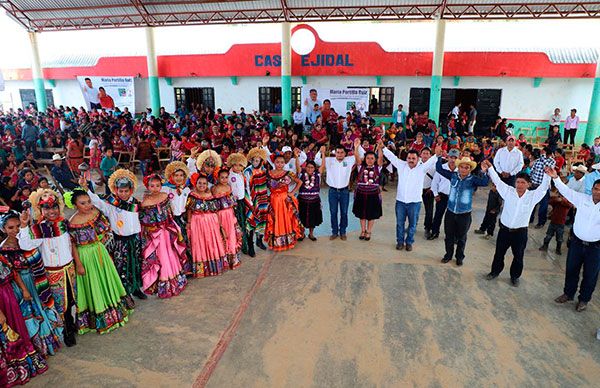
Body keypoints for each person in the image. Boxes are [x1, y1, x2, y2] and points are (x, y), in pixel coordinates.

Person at [17, 189, 83, 347]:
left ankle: (70, 321)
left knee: (72, 299)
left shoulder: (64, 224)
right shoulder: (39, 229)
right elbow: (25, 245)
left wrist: (78, 262)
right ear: (40, 210)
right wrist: (24, 226)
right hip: (53, 273)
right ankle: (66, 330)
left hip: (69, 269)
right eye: (46, 208)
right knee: (60, 303)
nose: (51, 211)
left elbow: (71, 243)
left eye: (54, 207)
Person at [66, 189, 131, 334]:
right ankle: (99, 317)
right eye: (83, 203)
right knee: (93, 283)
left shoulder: (95, 213)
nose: (87, 205)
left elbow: (105, 229)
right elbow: (73, 246)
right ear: (75, 205)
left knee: (106, 280)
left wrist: (102, 242)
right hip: (85, 256)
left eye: (88, 201)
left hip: (100, 251)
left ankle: (114, 312)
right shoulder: (72, 222)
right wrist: (79, 264)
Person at [1, 212, 63, 357]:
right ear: (3, 229)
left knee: (42, 308)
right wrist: (24, 290)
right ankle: (39, 348)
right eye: (10, 228)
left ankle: (49, 343)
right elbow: (13, 272)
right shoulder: (3, 250)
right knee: (31, 314)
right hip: (22, 285)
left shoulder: (27, 238)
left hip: (36, 279)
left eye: (18, 226)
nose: (15, 230)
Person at [81, 170, 147, 301]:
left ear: (131, 190)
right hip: (120, 241)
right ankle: (125, 292)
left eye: (126, 191)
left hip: (135, 239)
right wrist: (86, 189)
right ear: (115, 190)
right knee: (122, 267)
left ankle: (136, 289)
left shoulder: (136, 204)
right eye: (120, 191)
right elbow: (97, 201)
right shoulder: (111, 204)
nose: (123, 194)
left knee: (136, 264)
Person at [484, 161, 551, 286]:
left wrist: (547, 175)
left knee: (518, 256)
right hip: (504, 230)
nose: (519, 185)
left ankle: (515, 277)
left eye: (523, 183)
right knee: (499, 253)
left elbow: (543, 189)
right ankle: (494, 272)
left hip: (520, 233)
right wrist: (490, 168)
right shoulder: (508, 191)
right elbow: (497, 181)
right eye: (518, 182)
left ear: (528, 184)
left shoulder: (532, 196)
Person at [547, 166, 600, 312]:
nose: (597, 192)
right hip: (576, 243)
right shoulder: (583, 199)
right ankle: (568, 293)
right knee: (571, 269)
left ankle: (584, 299)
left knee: (590, 275)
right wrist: (555, 178)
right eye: (596, 188)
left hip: (595, 247)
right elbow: (567, 192)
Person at [382, 141, 441, 251]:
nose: (411, 160)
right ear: (406, 158)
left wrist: (436, 154)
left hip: (414, 202)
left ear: (418, 159)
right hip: (400, 202)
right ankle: (400, 242)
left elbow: (432, 160)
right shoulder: (401, 165)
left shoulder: (422, 168)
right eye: (409, 158)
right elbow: (392, 157)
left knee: (412, 224)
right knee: (400, 224)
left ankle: (409, 242)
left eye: (413, 158)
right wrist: (383, 148)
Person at [0, 252, 48, 386]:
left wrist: (24, 289)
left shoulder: (1, 257)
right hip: (2, 301)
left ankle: (25, 365)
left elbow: (14, 274)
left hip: (10, 294)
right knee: (7, 335)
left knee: (19, 329)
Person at [139, 174, 188, 298]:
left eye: (158, 185)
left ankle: (176, 280)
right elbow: (144, 222)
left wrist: (173, 228)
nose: (155, 188)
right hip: (156, 235)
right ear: (147, 186)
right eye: (152, 186)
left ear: (161, 186)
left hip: (167, 231)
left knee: (171, 254)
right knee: (162, 257)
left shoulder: (165, 196)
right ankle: (165, 283)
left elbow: (169, 214)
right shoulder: (145, 202)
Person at [435, 157, 490, 266]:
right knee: (449, 236)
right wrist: (438, 158)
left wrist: (484, 171)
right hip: (450, 212)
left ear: (470, 169)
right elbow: (439, 169)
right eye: (462, 167)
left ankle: (459, 257)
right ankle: (448, 255)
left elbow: (484, 182)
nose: (464, 169)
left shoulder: (473, 179)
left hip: (464, 214)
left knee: (462, 237)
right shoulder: (453, 176)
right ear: (458, 168)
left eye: (467, 167)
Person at [314, 139, 362, 241]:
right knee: (333, 212)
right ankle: (334, 232)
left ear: (345, 153)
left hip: (345, 191)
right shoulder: (328, 160)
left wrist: (357, 147)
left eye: (342, 152)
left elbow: (359, 161)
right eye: (338, 152)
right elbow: (316, 160)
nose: (339, 154)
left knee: (344, 212)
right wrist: (320, 151)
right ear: (335, 153)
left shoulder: (349, 160)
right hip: (332, 191)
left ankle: (343, 231)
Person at [186, 173, 227, 277]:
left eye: (204, 183)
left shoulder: (210, 196)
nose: (202, 185)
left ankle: (213, 268)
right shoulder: (192, 195)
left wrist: (219, 224)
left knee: (211, 242)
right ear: (196, 183)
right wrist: (189, 223)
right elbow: (189, 210)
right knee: (199, 244)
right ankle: (202, 270)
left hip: (211, 223)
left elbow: (216, 210)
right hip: (197, 222)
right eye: (200, 183)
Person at [265, 154, 303, 251]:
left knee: (286, 219)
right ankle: (276, 243)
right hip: (273, 200)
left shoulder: (289, 173)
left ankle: (288, 242)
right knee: (275, 219)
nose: (279, 164)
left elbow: (300, 182)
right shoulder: (268, 173)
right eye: (277, 162)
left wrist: (292, 192)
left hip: (284, 200)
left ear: (284, 163)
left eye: (282, 162)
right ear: (274, 162)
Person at [162, 161, 192, 274]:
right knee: (172, 245)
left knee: (183, 242)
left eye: (181, 175)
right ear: (171, 176)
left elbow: (188, 206)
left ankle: (186, 268)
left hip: (181, 220)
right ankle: (176, 268)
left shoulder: (186, 190)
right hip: (170, 221)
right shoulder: (165, 189)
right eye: (176, 175)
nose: (179, 178)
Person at [352, 140, 384, 241]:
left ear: (375, 160)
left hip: (373, 195)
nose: (370, 160)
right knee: (362, 214)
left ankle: (368, 231)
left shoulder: (377, 167)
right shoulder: (360, 166)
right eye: (368, 158)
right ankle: (363, 230)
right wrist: (356, 147)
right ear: (364, 159)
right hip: (361, 193)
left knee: (371, 214)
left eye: (372, 158)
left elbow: (381, 158)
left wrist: (379, 148)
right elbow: (356, 157)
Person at [212, 169, 243, 269]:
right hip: (221, 215)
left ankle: (233, 259)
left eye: (226, 177)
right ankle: (224, 259)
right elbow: (215, 206)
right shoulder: (215, 189)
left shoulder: (229, 187)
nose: (224, 179)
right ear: (218, 178)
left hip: (230, 213)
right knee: (223, 236)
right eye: (222, 177)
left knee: (232, 234)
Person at [429, 149, 459, 240]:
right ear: (447, 157)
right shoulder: (442, 168)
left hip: (455, 198)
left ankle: (452, 236)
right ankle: (434, 232)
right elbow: (435, 182)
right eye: (451, 157)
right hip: (442, 196)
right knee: (438, 215)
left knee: (454, 218)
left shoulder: (461, 169)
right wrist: (435, 194)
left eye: (455, 158)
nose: (453, 160)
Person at [244, 147, 269, 252]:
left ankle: (259, 240)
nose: (255, 162)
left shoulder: (264, 169)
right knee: (252, 221)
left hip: (263, 199)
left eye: (257, 160)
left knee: (263, 220)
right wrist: (250, 202)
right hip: (252, 200)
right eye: (253, 160)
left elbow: (267, 184)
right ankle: (251, 245)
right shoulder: (247, 171)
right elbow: (247, 188)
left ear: (261, 160)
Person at [295, 153, 324, 242]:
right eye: (308, 167)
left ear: (314, 168)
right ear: (305, 167)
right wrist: (296, 156)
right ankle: (302, 233)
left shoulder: (318, 175)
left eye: (312, 167)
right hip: (302, 200)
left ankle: (311, 234)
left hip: (314, 201)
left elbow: (323, 165)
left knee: (313, 218)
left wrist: (323, 154)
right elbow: (297, 166)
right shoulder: (301, 174)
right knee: (301, 217)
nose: (310, 169)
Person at [227, 153, 251, 256]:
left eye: (240, 165)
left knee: (245, 223)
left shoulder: (242, 174)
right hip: (235, 203)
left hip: (243, 201)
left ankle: (245, 245)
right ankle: (241, 246)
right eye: (235, 165)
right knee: (238, 225)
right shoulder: (230, 176)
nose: (238, 167)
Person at [530, 147, 556, 229]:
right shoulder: (537, 160)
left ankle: (541, 222)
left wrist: (543, 156)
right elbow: (532, 171)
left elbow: (546, 167)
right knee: (532, 204)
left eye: (543, 152)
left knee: (543, 206)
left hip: (544, 188)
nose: (541, 153)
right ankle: (530, 219)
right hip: (534, 185)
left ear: (548, 154)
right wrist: (530, 181)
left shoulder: (552, 161)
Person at [539, 191, 571, 255]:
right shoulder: (556, 201)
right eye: (560, 195)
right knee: (548, 235)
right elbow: (550, 201)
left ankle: (558, 249)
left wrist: (562, 200)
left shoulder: (567, 202)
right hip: (553, 222)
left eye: (563, 196)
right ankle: (545, 246)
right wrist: (556, 199)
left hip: (561, 223)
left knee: (559, 238)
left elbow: (569, 205)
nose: (561, 197)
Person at [420, 148, 436, 239]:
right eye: (423, 153)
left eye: (427, 153)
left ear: (430, 155)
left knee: (429, 210)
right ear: (420, 154)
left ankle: (428, 228)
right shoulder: (416, 163)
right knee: (414, 210)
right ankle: (412, 226)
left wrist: (432, 188)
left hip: (428, 190)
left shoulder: (434, 165)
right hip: (417, 190)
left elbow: (437, 178)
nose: (425, 155)